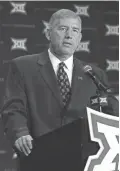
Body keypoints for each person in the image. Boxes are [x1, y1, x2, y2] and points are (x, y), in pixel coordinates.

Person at [1, 9, 118, 169]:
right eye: (63, 28)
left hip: (81, 160)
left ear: (80, 38)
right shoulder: (23, 67)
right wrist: (20, 133)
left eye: (75, 30)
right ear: (48, 33)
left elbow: (110, 112)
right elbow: (13, 109)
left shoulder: (93, 73)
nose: (69, 35)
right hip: (37, 157)